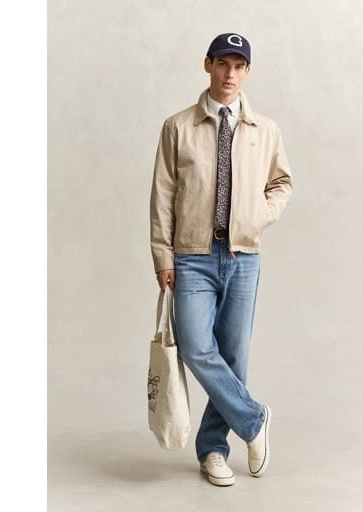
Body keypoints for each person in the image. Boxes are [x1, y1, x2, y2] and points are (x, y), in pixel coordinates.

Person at [149, 32, 293, 486]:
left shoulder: (265, 130)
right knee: (196, 347)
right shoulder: (178, 127)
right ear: (208, 65)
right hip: (191, 256)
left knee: (233, 355)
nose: (230, 74)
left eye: (239, 66)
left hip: (243, 256)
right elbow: (163, 194)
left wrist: (256, 217)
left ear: (247, 71)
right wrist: (162, 255)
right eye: (223, 64)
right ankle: (254, 419)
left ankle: (213, 449)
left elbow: (282, 183)